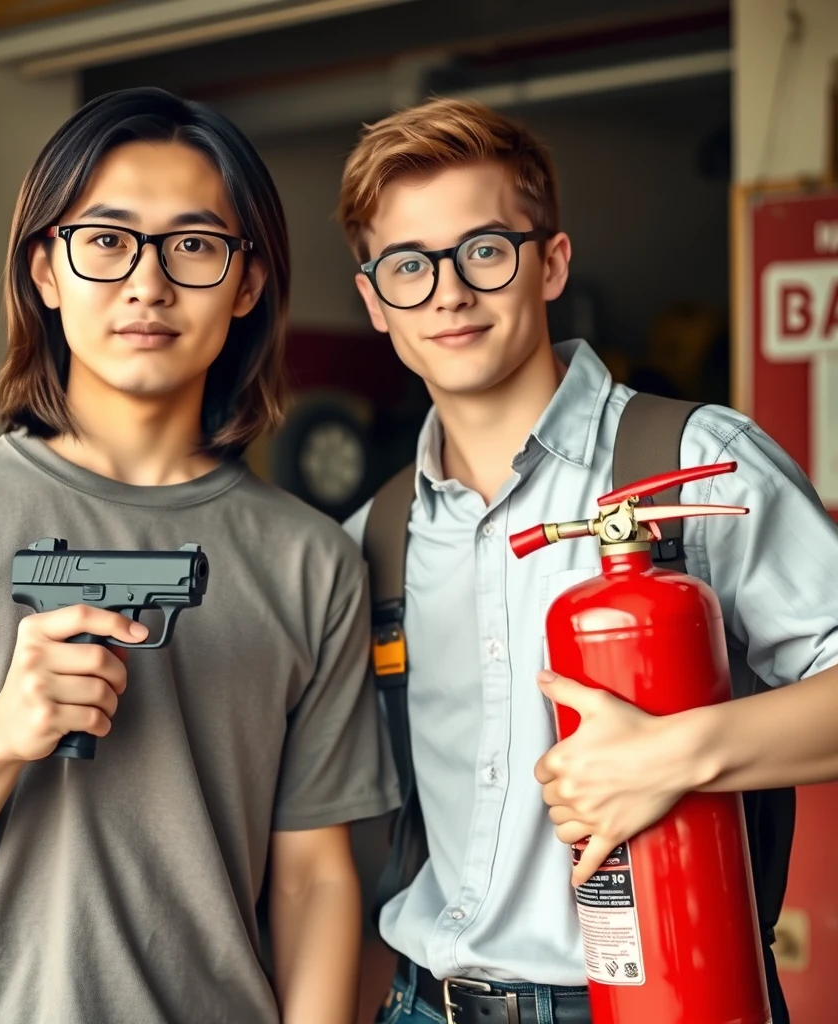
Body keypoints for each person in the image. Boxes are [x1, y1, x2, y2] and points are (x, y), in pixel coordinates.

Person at [0, 87, 399, 1024]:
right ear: (45, 267)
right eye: (107, 240)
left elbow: (312, 886)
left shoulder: (311, 562)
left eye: (196, 245)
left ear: (248, 284)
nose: (149, 284)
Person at [335, 96, 838, 1023]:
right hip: (420, 1004)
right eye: (408, 266)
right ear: (374, 301)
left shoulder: (693, 465)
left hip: (666, 1003)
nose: (448, 292)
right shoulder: (370, 540)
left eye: (485, 250)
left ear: (551, 263)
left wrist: (676, 755)